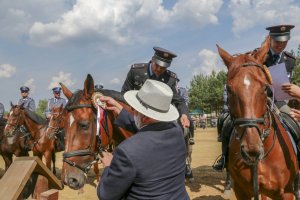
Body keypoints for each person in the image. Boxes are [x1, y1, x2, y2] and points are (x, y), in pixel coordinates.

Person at [97, 79, 189, 200]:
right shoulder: (177, 131)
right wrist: (120, 109)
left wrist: (108, 166)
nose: (133, 112)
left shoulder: (126, 151)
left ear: (144, 117)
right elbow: (149, 130)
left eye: (134, 109)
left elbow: (106, 195)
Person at [121, 46, 190, 129]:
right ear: (152, 60)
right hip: (135, 116)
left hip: (159, 119)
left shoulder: (171, 79)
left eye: (163, 68)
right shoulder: (136, 71)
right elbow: (124, 93)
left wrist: (184, 115)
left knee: (182, 130)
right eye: (157, 65)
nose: (158, 69)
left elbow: (179, 101)